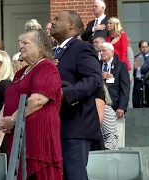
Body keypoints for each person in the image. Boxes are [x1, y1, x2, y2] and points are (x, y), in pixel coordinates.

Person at [0, 29, 63, 180]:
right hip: (19, 140)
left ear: (40, 47)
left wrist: (13, 120)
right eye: (20, 42)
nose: (21, 45)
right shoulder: (20, 73)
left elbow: (38, 100)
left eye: (26, 42)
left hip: (38, 140)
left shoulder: (47, 68)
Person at [51, 10, 102, 179]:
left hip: (75, 127)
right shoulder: (53, 53)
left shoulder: (82, 48)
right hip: (55, 126)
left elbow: (94, 80)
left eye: (58, 19)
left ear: (71, 24)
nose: (53, 22)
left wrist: (65, 93)